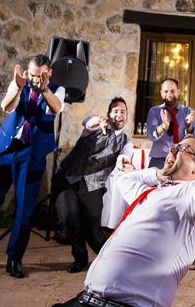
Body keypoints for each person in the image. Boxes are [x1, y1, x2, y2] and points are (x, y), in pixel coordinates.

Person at [53, 124, 195, 307]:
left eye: (183, 148)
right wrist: (158, 174)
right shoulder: (151, 193)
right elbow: (125, 180)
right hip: (86, 299)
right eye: (175, 145)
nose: (173, 149)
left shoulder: (193, 196)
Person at [0, 54, 65, 278]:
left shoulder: (57, 89)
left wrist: (44, 89)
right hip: (5, 149)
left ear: (49, 73)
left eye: (41, 75)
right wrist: (18, 88)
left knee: (24, 210)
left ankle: (14, 258)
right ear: (27, 72)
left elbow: (55, 109)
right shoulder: (19, 83)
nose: (36, 80)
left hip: (31, 153)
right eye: (33, 75)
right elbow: (6, 107)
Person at [52, 97, 133, 273]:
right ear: (109, 115)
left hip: (93, 186)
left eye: (123, 111)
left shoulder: (126, 142)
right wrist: (96, 121)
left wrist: (122, 163)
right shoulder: (96, 126)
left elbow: (123, 157)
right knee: (69, 218)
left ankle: (113, 260)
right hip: (69, 178)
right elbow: (87, 121)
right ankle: (80, 258)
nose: (119, 114)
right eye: (115, 111)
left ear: (127, 116)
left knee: (94, 231)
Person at [146, 78, 195, 168]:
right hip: (158, 160)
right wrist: (163, 126)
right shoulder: (154, 111)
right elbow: (151, 135)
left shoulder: (188, 111)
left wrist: (188, 126)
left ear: (178, 92)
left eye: (173, 91)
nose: (169, 95)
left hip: (181, 160)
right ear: (161, 93)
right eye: (166, 91)